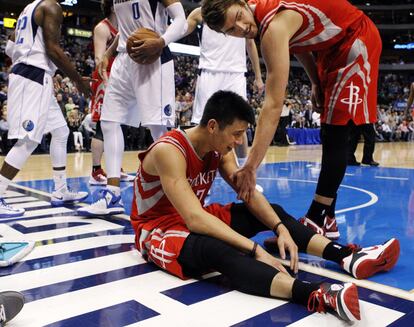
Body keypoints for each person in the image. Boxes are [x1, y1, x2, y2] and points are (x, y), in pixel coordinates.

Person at [130, 90, 400, 323]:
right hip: (157, 229)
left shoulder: (218, 150)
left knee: (271, 212)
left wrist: (280, 228)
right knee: (218, 249)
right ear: (213, 126)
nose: (238, 142)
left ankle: (345, 256)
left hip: (190, 219)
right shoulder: (170, 150)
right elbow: (194, 219)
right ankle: (316, 294)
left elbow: (246, 193)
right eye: (235, 134)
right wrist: (254, 248)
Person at [201, 0, 382, 240]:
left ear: (242, 3)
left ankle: (319, 216)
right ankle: (326, 217)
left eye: (239, 17)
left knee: (336, 130)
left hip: (355, 37)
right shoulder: (263, 14)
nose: (242, 28)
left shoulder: (273, 28)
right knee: (330, 128)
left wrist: (251, 167)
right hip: (332, 46)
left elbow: (274, 105)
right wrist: (315, 81)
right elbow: (298, 43)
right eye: (231, 30)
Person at [78, 0, 187, 216]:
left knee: (158, 130)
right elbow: (126, 30)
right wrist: (108, 54)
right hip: (123, 59)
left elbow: (181, 20)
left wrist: (161, 42)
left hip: (154, 58)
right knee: (108, 122)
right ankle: (113, 194)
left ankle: (179, 192)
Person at [0, 0, 90, 218]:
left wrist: (26, 57)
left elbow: (11, 46)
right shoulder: (51, 6)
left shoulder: (26, 10)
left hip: (36, 75)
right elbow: (53, 50)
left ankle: (60, 191)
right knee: (28, 141)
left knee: (61, 131)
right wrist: (78, 81)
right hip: (32, 76)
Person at [184, 7, 264, 162]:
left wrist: (258, 76)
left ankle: (242, 170)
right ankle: (194, 170)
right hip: (209, 71)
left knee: (241, 125)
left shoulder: (240, 11)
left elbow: (250, 44)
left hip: (236, 73)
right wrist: (162, 37)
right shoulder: (201, 12)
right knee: (202, 125)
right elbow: (180, 29)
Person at [89, 0, 134, 185]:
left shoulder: (123, 27)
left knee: (116, 125)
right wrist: (106, 83)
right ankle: (95, 171)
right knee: (102, 125)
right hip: (104, 79)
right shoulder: (103, 28)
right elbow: (100, 57)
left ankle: (115, 168)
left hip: (119, 77)